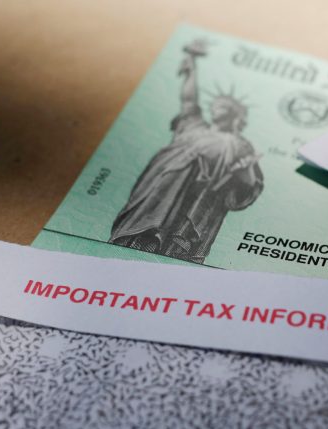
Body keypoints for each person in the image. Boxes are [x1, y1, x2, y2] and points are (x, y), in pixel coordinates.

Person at [110, 39, 263, 264]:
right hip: (158, 192)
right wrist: (191, 66)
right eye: (214, 105)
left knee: (170, 252)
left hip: (193, 204)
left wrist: (245, 172)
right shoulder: (194, 126)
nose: (215, 109)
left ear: (234, 114)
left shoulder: (239, 145)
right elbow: (189, 100)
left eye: (222, 106)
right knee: (137, 238)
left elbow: (248, 186)